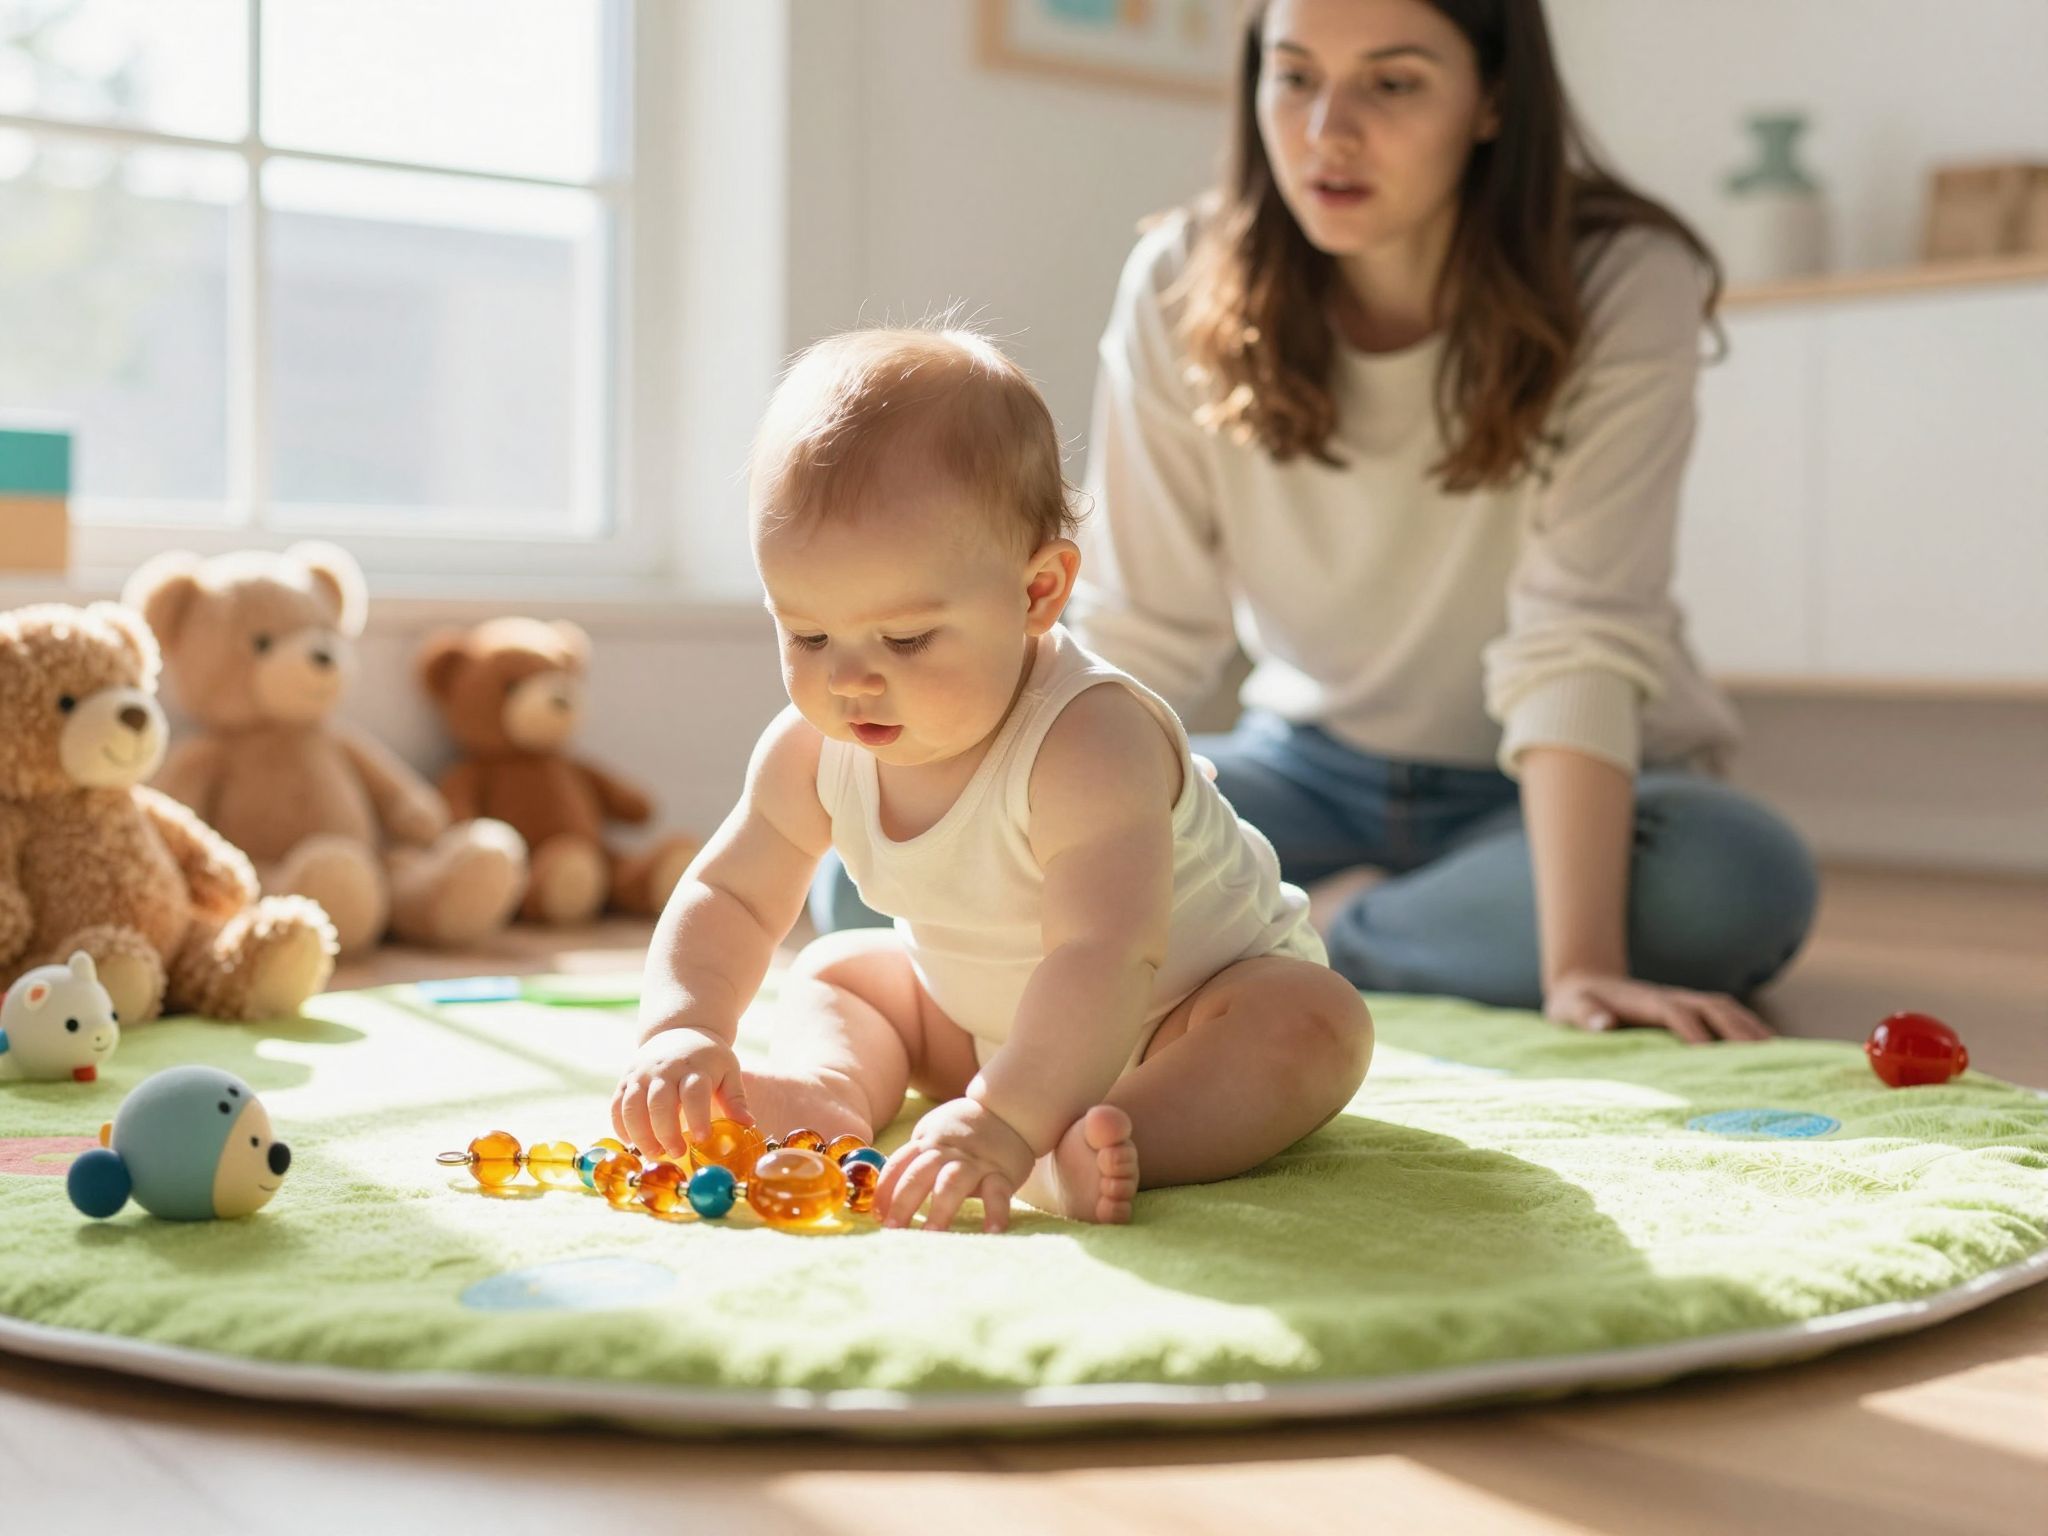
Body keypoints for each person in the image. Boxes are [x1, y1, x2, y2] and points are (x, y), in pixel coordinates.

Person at [815, 0, 1817, 1046]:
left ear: (1492, 101)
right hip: (1306, 766)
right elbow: (1139, 621)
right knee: (864, 879)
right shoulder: (1179, 282)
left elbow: (1576, 635)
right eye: (1292, 77)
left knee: (1733, 880)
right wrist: (1022, 814)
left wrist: (1579, 970)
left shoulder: (1619, 280)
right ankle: (1330, 938)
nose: (1325, 132)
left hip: (1559, 787)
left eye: (1391, 83)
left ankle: (1319, 934)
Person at [613, 328, 1373, 1233]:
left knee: (1313, 1024)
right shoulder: (811, 751)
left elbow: (1104, 953)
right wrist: (684, 1028)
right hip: (980, 1023)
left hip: (1184, 1014)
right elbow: (729, 895)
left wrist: (1004, 1118)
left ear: (1038, 592)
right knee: (843, 970)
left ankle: (1106, 1141)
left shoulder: (1090, 741)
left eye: (905, 640)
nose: (850, 679)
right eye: (808, 635)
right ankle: (830, 1091)